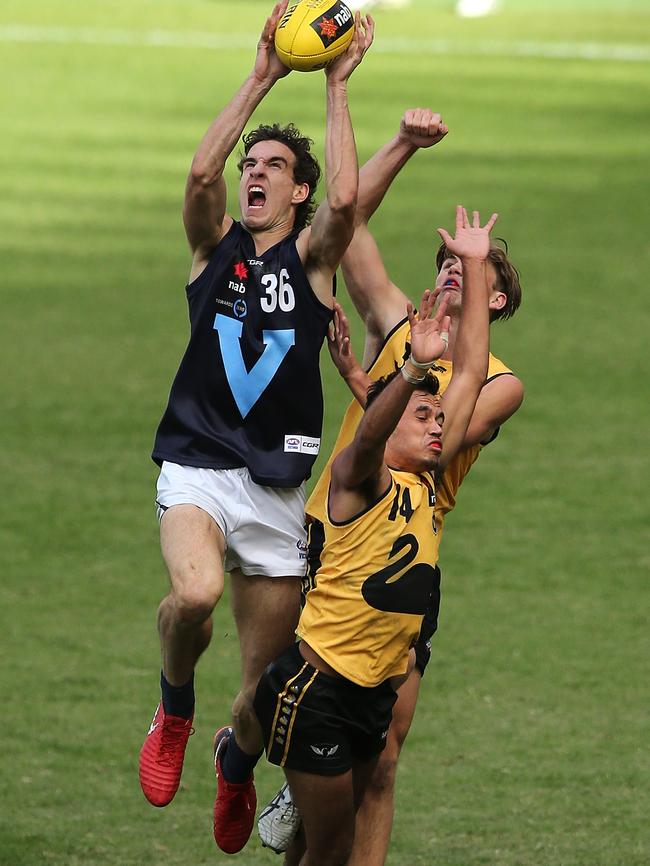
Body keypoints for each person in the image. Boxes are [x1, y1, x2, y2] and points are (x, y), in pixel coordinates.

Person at [138, 0, 375, 855]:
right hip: (198, 464)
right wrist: (262, 76)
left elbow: (347, 203)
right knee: (194, 593)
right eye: (253, 163)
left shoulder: (311, 263)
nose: (254, 173)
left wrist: (338, 85)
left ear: (298, 189)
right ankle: (171, 711)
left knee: (263, 703)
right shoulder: (214, 251)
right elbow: (199, 178)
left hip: (276, 488)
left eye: (274, 165)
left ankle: (234, 764)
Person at [258, 110, 523, 863]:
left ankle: (301, 791)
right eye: (447, 261)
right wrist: (367, 112)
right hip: (338, 531)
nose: (454, 269)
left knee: (386, 751)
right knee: (305, 692)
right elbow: (349, 216)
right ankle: (258, 756)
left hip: (408, 555)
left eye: (477, 273)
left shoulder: (501, 384)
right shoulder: (399, 323)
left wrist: (369, 373)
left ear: (496, 300)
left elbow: (452, 411)